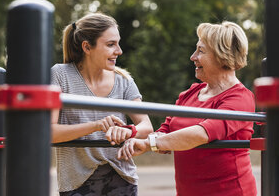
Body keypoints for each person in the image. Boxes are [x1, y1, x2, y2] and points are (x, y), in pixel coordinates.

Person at [117, 21, 257, 196]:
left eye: (201, 51)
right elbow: (165, 132)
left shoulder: (240, 98)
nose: (193, 57)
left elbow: (201, 134)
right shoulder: (190, 94)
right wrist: (133, 133)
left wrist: (148, 143)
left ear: (222, 56)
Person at [51, 13, 153, 195]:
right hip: (76, 183)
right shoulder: (60, 75)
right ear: (87, 47)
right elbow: (49, 132)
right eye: (110, 44)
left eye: (118, 43)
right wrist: (96, 126)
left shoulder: (124, 80)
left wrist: (130, 131)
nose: (119, 51)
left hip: (122, 179)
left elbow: (146, 126)